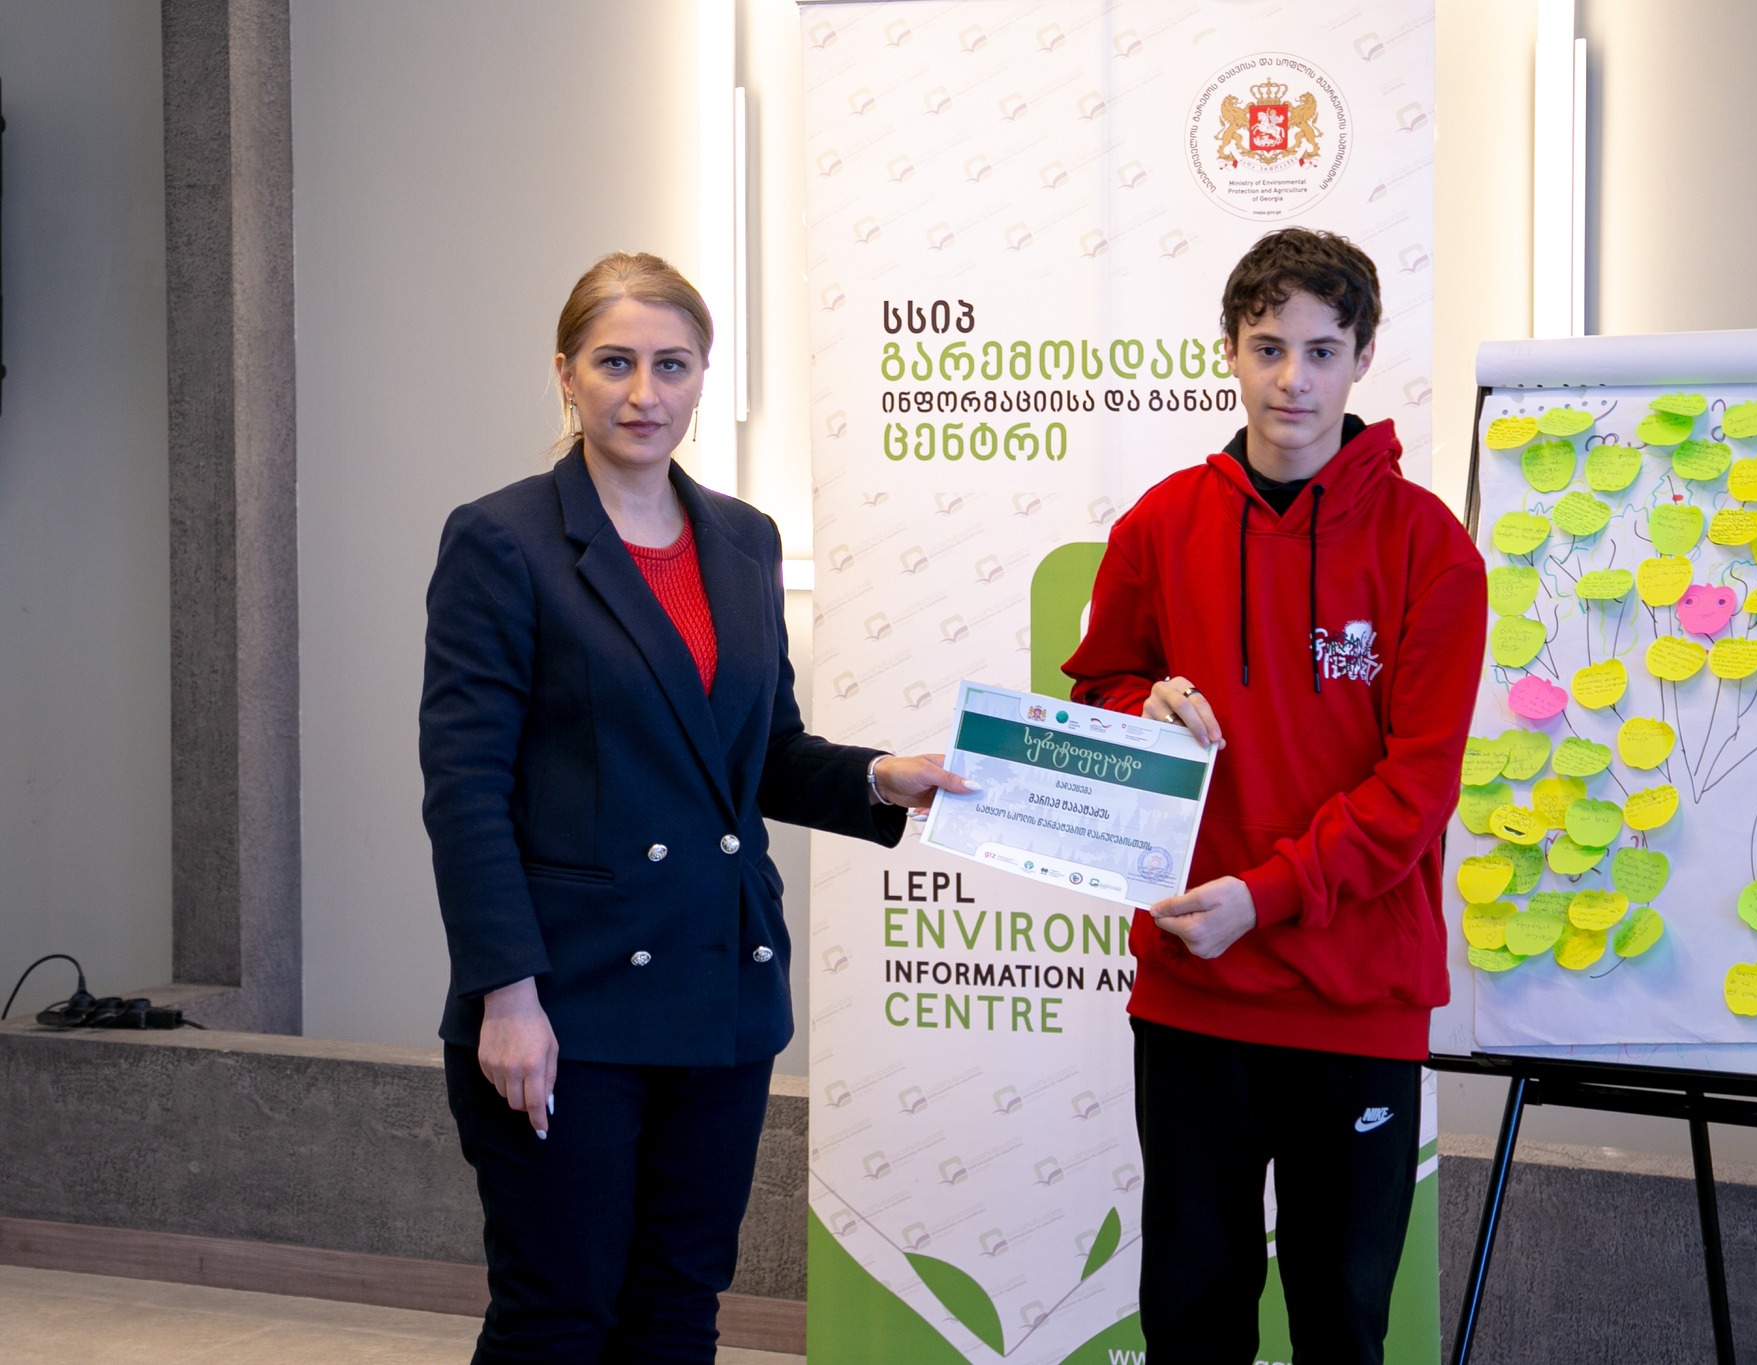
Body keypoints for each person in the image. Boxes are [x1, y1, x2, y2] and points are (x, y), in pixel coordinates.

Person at [420, 251, 968, 1363]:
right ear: (565, 373)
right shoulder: (502, 540)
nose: (644, 393)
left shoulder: (744, 537)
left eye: (671, 365)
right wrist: (505, 995)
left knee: (677, 1310)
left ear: (704, 376)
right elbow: (465, 790)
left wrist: (879, 777)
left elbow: (762, 754)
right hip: (565, 999)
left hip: (718, 988)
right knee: (557, 1316)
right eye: (613, 362)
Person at [1063, 228, 1486, 1364]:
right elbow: (1095, 693)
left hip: (1356, 995)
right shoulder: (1160, 524)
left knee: (1340, 1317)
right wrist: (1142, 703)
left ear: (1363, 358)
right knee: (1191, 1310)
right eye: (1267, 347)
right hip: (1194, 987)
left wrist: (1267, 893)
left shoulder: (1431, 550)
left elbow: (1416, 790)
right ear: (1230, 351)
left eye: (1321, 350)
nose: (1291, 379)